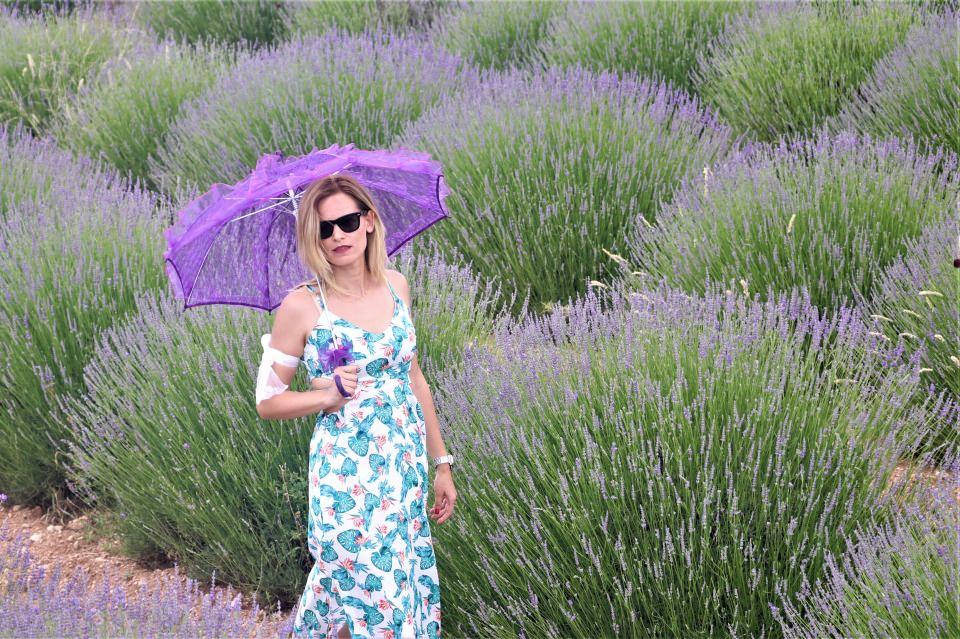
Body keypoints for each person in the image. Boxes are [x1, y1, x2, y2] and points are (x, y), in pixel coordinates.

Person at [255, 173, 456, 639]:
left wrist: (441, 463)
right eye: (323, 229)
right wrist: (325, 396)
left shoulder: (397, 286)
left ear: (368, 220)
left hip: (403, 468)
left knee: (379, 593)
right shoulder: (303, 306)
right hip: (348, 476)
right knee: (368, 591)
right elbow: (267, 401)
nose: (337, 236)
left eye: (346, 222)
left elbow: (414, 377)